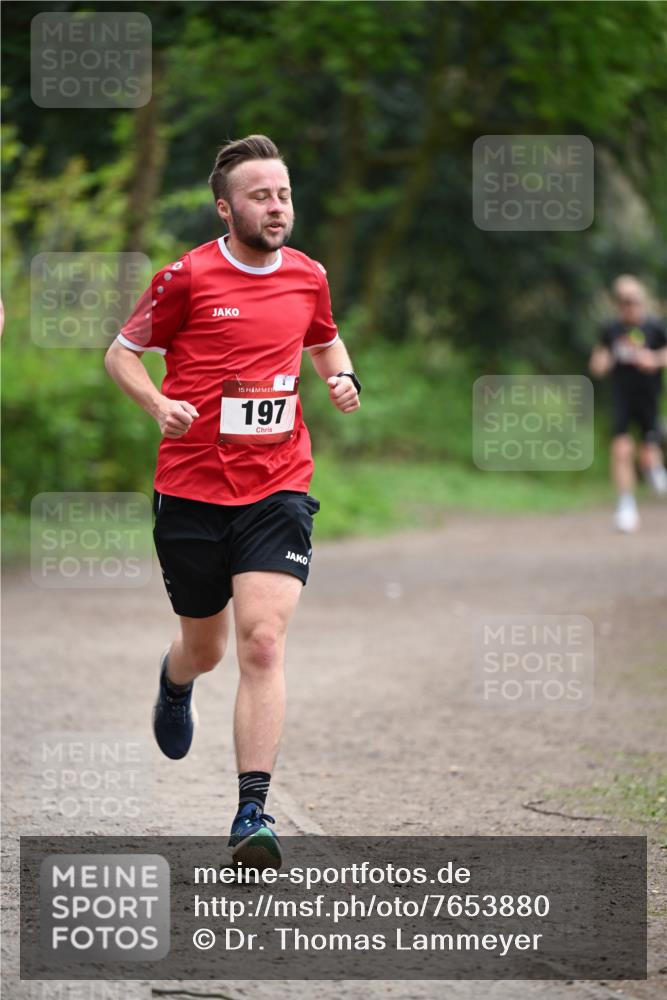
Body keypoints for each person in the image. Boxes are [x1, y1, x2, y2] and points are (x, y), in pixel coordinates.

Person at [104, 135, 361, 866]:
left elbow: (326, 344)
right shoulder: (184, 278)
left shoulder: (308, 276)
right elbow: (120, 354)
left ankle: (252, 812)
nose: (275, 207)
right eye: (259, 195)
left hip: (278, 485)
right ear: (226, 207)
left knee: (262, 641)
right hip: (189, 489)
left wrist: (345, 380)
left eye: (281, 194)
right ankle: (174, 679)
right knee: (205, 646)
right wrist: (158, 404)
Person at [589, 274, 667, 533]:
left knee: (647, 454)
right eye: (623, 301)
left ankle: (654, 468)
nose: (628, 306)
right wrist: (603, 363)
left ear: (642, 301)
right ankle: (626, 506)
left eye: (633, 301)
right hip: (622, 397)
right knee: (621, 450)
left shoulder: (655, 327)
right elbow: (597, 363)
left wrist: (654, 359)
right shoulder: (611, 330)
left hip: (648, 398)